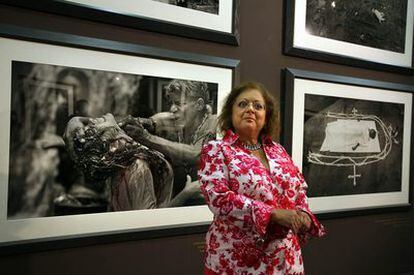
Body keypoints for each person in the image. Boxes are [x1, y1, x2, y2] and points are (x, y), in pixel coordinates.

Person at [198, 82, 325, 274]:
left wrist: (303, 214)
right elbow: (219, 198)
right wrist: (273, 214)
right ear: (230, 113)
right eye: (243, 104)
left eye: (258, 106)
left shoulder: (278, 151)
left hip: (286, 260)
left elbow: (299, 188)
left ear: (266, 117)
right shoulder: (217, 149)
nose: (250, 109)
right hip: (237, 261)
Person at [124, 79, 216, 206]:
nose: (172, 108)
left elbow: (197, 153)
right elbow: (149, 122)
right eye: (171, 103)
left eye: (179, 103)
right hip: (175, 208)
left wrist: (147, 137)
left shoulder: (214, 122)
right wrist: (146, 123)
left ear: (199, 105)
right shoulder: (176, 125)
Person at [63, 113, 174, 211]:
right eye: (92, 126)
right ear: (105, 142)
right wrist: (184, 195)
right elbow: (148, 222)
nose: (92, 120)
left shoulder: (118, 164)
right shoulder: (136, 167)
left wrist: (76, 119)